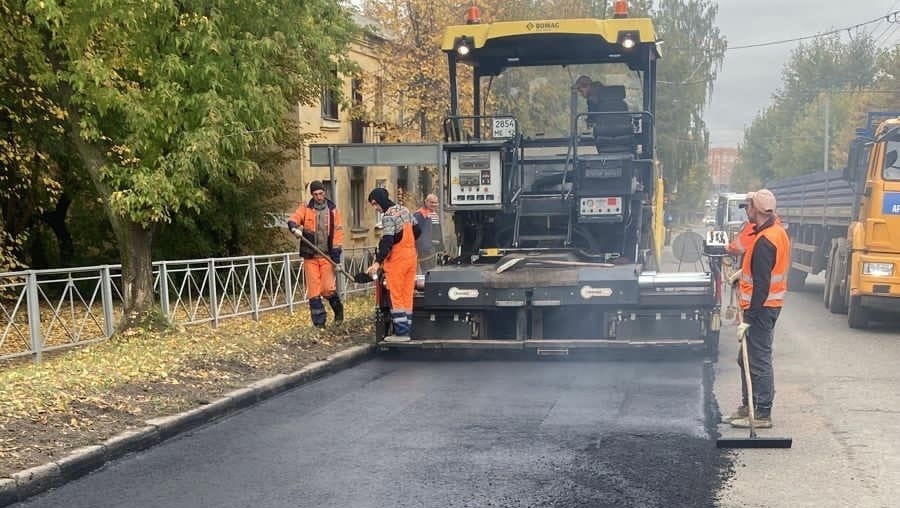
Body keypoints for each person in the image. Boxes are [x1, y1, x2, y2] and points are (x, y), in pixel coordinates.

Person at [724, 189, 790, 429]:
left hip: (760, 309)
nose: (746, 212)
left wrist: (749, 317)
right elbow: (764, 272)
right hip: (766, 307)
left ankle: (762, 412)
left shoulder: (765, 241)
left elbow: (762, 284)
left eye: (748, 207)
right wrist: (739, 276)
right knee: (746, 358)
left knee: (757, 358)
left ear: (756, 210)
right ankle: (747, 405)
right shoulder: (774, 233)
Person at [287, 181, 344, 328]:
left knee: (327, 288)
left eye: (321, 193)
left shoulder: (333, 211)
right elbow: (293, 219)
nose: (318, 196)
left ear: (325, 193)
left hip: (327, 256)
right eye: (315, 194)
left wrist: (336, 260)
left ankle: (338, 311)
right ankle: (319, 324)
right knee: (314, 291)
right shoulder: (306, 208)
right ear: (312, 195)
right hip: (310, 256)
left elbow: (337, 235)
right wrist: (294, 228)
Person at [366, 188, 420, 341]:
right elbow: (418, 230)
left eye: (375, 204)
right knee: (407, 295)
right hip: (411, 257)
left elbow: (388, 241)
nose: (376, 208)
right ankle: (407, 329)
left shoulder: (388, 216)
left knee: (396, 295)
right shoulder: (404, 210)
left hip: (398, 260)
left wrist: (377, 262)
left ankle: (401, 333)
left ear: (381, 200)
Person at [413, 194, 440, 272]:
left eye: (436, 203)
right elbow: (415, 232)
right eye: (432, 202)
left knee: (432, 272)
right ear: (426, 202)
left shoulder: (434, 214)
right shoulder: (419, 214)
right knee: (428, 273)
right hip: (424, 250)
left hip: (431, 248)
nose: (434, 205)